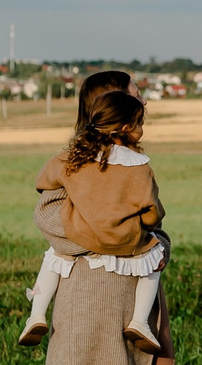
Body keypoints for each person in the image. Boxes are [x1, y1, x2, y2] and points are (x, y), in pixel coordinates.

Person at [25, 85, 185, 365]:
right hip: (118, 271)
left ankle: (35, 312)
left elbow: (44, 187)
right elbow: (151, 213)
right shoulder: (137, 166)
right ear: (125, 123)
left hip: (78, 273)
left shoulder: (71, 160)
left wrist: (89, 230)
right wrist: (129, 235)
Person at [19, 69, 138, 346]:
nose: (143, 103)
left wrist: (157, 243)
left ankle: (36, 314)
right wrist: (111, 237)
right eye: (136, 96)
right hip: (89, 287)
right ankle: (36, 314)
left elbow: (148, 215)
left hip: (126, 280)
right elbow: (47, 215)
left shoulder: (132, 162)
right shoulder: (77, 162)